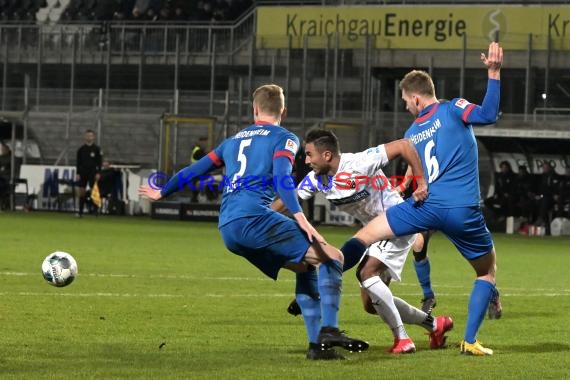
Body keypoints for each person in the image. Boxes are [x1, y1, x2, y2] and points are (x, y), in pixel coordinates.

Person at [139, 84, 369, 360]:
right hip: (254, 218)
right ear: (283, 111)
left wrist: (162, 191)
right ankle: (330, 330)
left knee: (305, 266)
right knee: (332, 258)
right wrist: (300, 217)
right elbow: (283, 178)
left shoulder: (232, 141)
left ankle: (316, 347)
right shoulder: (285, 138)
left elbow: (195, 169)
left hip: (228, 226)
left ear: (255, 109)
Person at [337, 42, 503, 356]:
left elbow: (417, 177)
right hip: (461, 209)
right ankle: (469, 341)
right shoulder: (454, 108)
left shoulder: (412, 132)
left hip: (423, 208)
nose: (406, 108)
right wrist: (493, 74)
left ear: (415, 97)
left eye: (405, 102)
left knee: (365, 234)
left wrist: (412, 191)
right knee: (486, 272)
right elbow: (489, 114)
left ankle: (327, 275)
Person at [273, 129, 450, 354]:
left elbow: (405, 144)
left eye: (309, 155)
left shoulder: (359, 162)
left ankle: (403, 339)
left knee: (365, 273)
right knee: (370, 304)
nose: (306, 161)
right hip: (374, 233)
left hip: (397, 222)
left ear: (327, 155)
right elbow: (290, 200)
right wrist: (262, 217)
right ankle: (435, 325)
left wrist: (421, 182)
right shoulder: (317, 180)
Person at [76, 129, 103, 217]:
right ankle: (80, 211)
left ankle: (95, 211)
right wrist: (78, 173)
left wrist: (98, 172)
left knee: (94, 191)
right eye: (87, 136)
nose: (89, 137)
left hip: (93, 172)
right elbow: (78, 162)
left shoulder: (97, 149)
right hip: (83, 172)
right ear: (85, 137)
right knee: (82, 191)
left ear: (93, 137)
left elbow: (99, 162)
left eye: (91, 136)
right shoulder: (81, 150)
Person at [190, 137, 208, 202]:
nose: (206, 144)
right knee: (197, 191)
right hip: (197, 174)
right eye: (204, 142)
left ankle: (192, 207)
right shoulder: (198, 151)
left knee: (196, 192)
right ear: (200, 142)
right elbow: (206, 159)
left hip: (196, 173)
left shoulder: (198, 150)